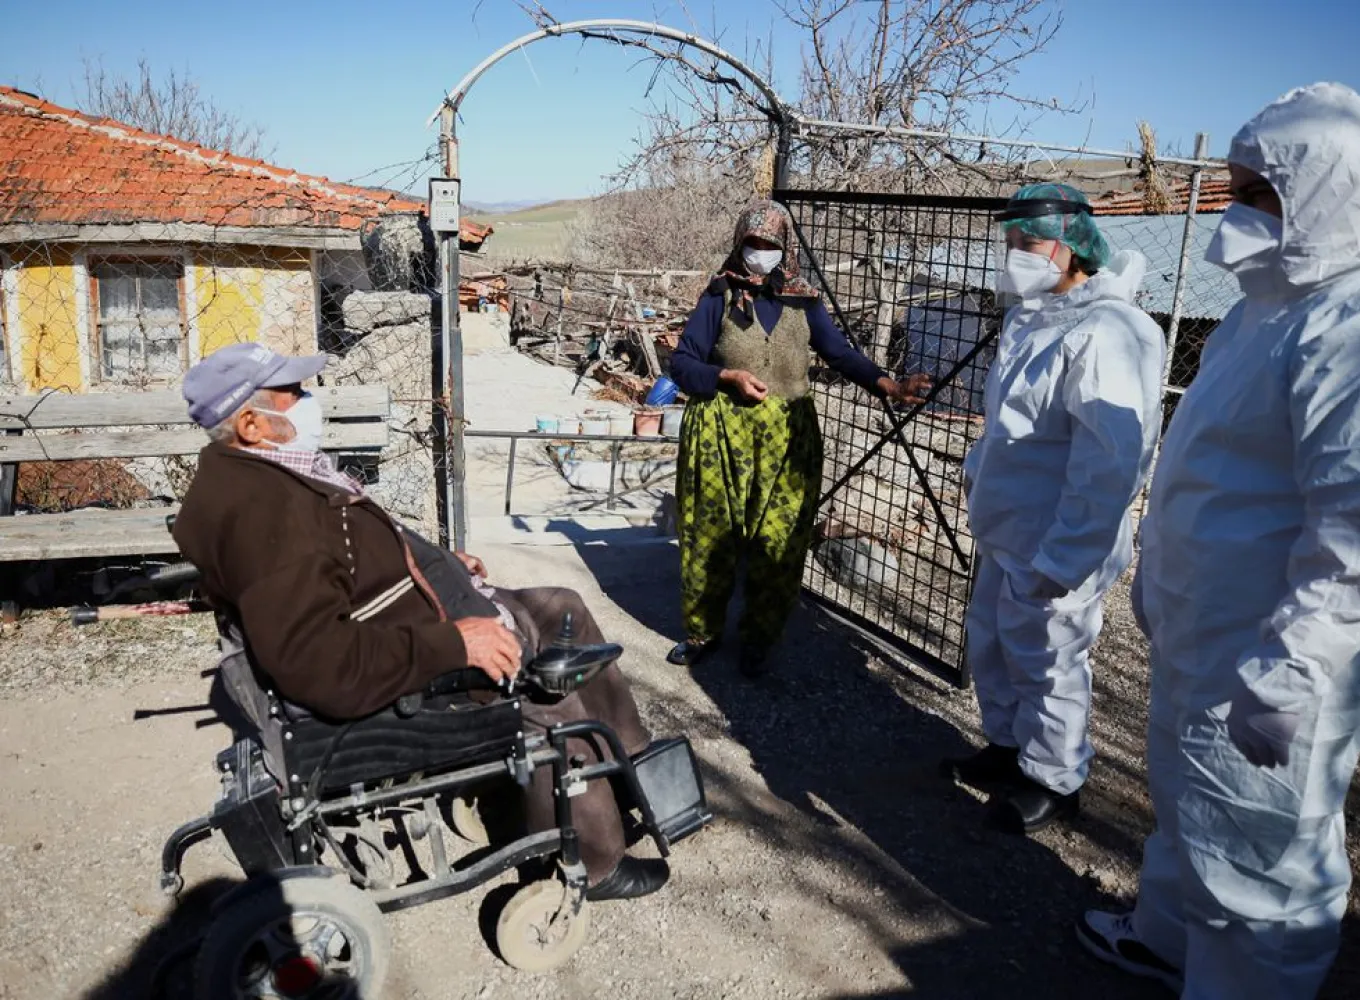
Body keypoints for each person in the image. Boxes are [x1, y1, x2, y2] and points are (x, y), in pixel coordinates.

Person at [1077, 83, 1360, 999]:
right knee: (1191, 805)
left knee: (1264, 858)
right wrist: (1161, 572)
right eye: (1233, 187)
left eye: (1258, 191)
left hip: (1280, 651)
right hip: (1213, 626)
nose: (1234, 211)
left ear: (1328, 191)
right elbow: (1218, 468)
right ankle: (1169, 940)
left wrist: (1294, 668)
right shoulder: (1269, 308)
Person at [171, 342, 669, 903]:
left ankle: (630, 764)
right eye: (294, 393)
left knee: (561, 604)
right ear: (251, 423)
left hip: (412, 610)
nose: (310, 400)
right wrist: (454, 642)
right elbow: (320, 663)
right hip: (408, 654)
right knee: (549, 685)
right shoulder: (268, 512)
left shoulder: (260, 472)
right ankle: (597, 859)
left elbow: (351, 555)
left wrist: (434, 566)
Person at [943, 183, 1165, 833]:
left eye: (1030, 240)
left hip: (1057, 537)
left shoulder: (1113, 330)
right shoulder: (1029, 317)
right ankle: (1009, 747)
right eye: (1010, 239)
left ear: (1073, 248)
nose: (1016, 252)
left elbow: (1108, 461)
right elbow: (1007, 425)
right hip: (1007, 524)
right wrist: (979, 479)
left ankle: (1054, 776)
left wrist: (1067, 553)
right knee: (994, 645)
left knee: (1051, 657)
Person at [667, 199, 929, 677]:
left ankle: (758, 640)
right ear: (739, 243)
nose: (759, 252)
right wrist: (726, 375)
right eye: (751, 243)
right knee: (710, 535)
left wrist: (887, 383)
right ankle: (702, 630)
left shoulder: (804, 301)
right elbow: (681, 363)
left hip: (788, 439)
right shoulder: (719, 294)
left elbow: (840, 354)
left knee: (780, 543)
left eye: (769, 243)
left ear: (784, 246)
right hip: (721, 432)